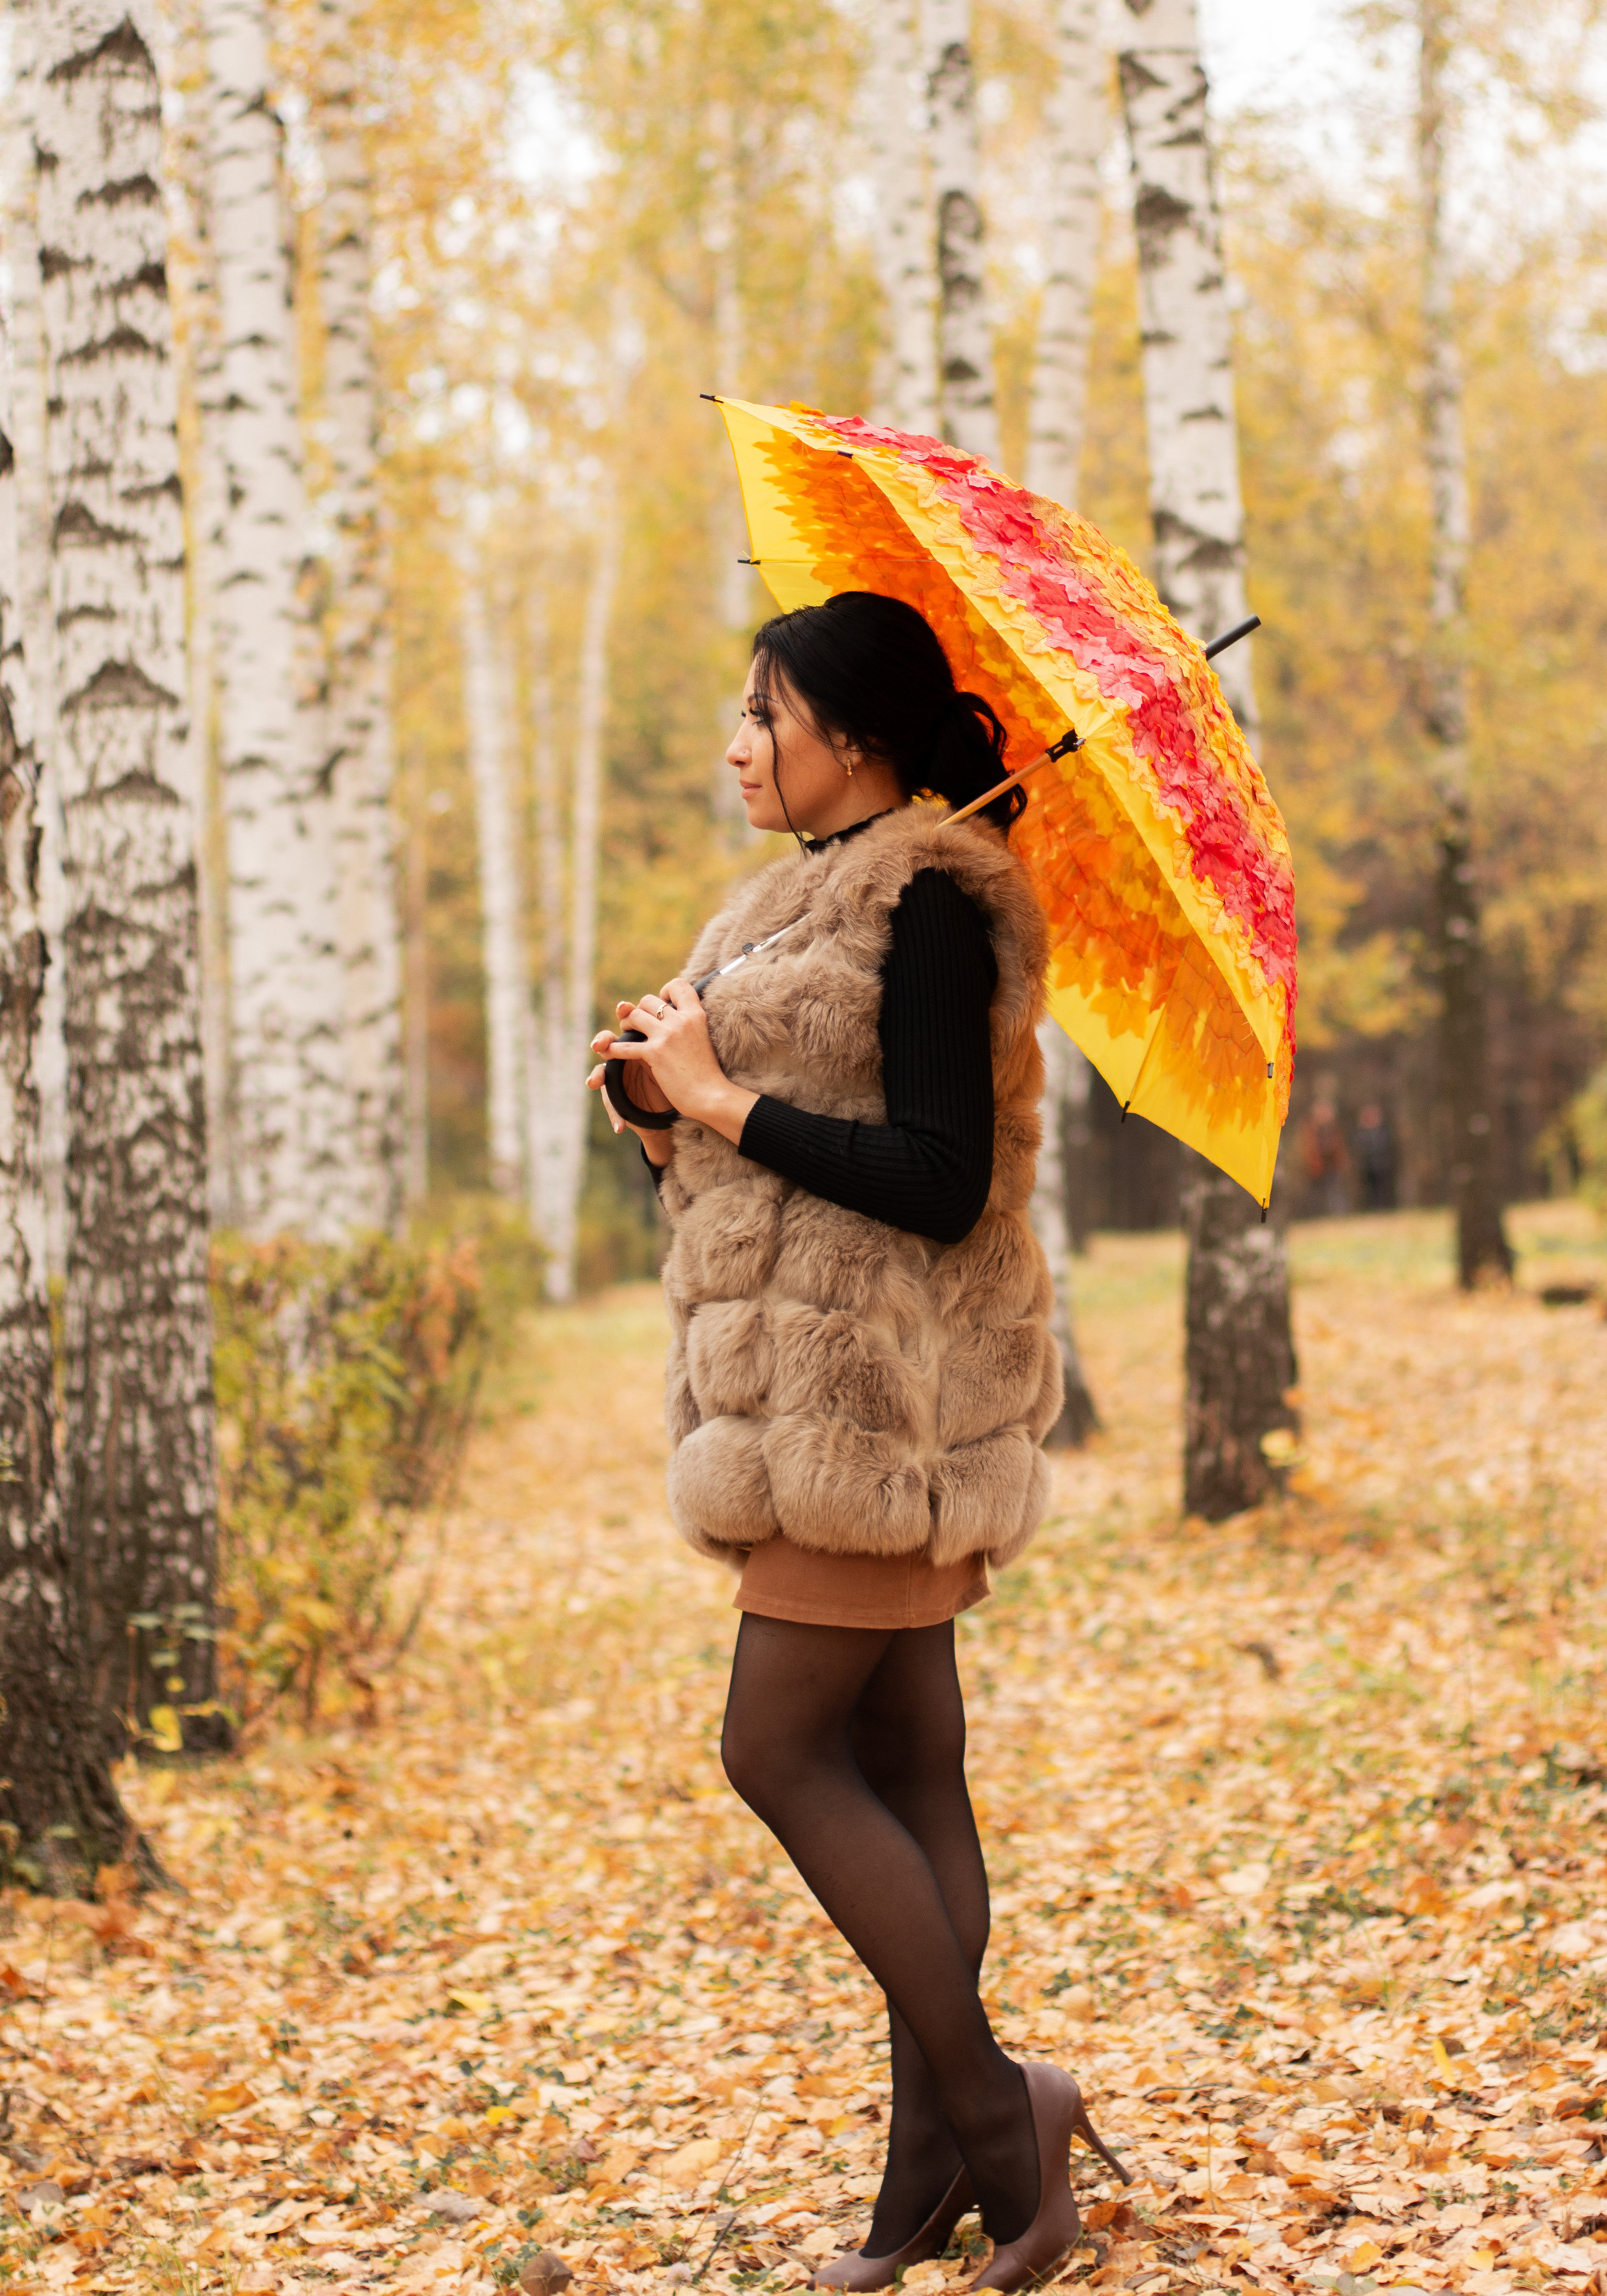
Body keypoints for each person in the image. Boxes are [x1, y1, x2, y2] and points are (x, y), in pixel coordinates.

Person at [587, 593, 1126, 2294]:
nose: (740, 744)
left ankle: (998, 2113)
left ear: (859, 733)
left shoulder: (938, 902)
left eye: (769, 714)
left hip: (873, 1408)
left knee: (774, 1746)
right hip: (791, 1393)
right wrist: (663, 1115)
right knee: (909, 1766)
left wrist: (729, 1097)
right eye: (743, 714)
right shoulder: (773, 908)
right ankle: (925, 2186)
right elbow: (769, 1162)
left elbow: (942, 1178)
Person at [1352, 1102, 1396, 1213]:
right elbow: (1360, 1147)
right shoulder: (1362, 1131)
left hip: (1381, 1165)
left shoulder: (1383, 1129)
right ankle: (1372, 1210)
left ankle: (1383, 1209)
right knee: (1370, 1190)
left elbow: (1386, 1145)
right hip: (1368, 1166)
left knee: (1382, 1189)